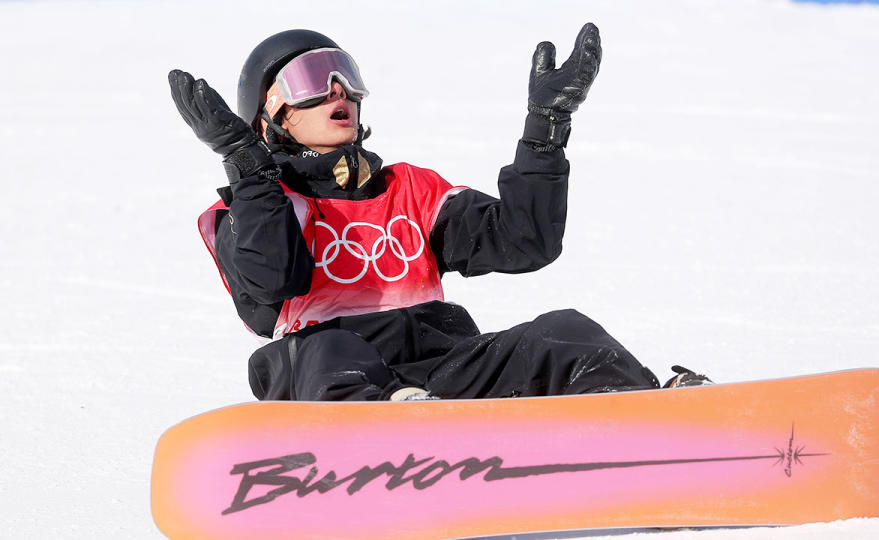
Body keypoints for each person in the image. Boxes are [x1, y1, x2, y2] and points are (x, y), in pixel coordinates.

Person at [168, 24, 710, 402]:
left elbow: (526, 241)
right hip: (328, 381)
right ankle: (376, 434)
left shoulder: (410, 189)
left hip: (441, 371)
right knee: (328, 347)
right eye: (310, 80)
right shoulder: (246, 208)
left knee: (563, 331)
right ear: (270, 117)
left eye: (346, 75)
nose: (339, 91)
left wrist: (546, 128)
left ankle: (643, 416)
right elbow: (268, 286)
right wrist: (249, 169)